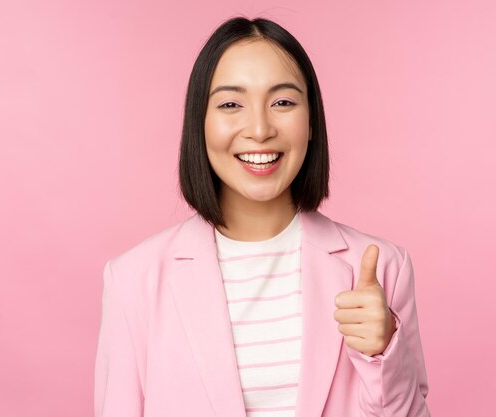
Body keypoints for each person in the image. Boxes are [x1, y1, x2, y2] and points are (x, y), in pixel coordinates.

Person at [94, 16, 431, 417]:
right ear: (199, 124)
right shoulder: (133, 279)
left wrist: (384, 350)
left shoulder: (381, 268)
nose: (259, 128)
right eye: (231, 104)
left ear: (311, 124)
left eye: (283, 102)